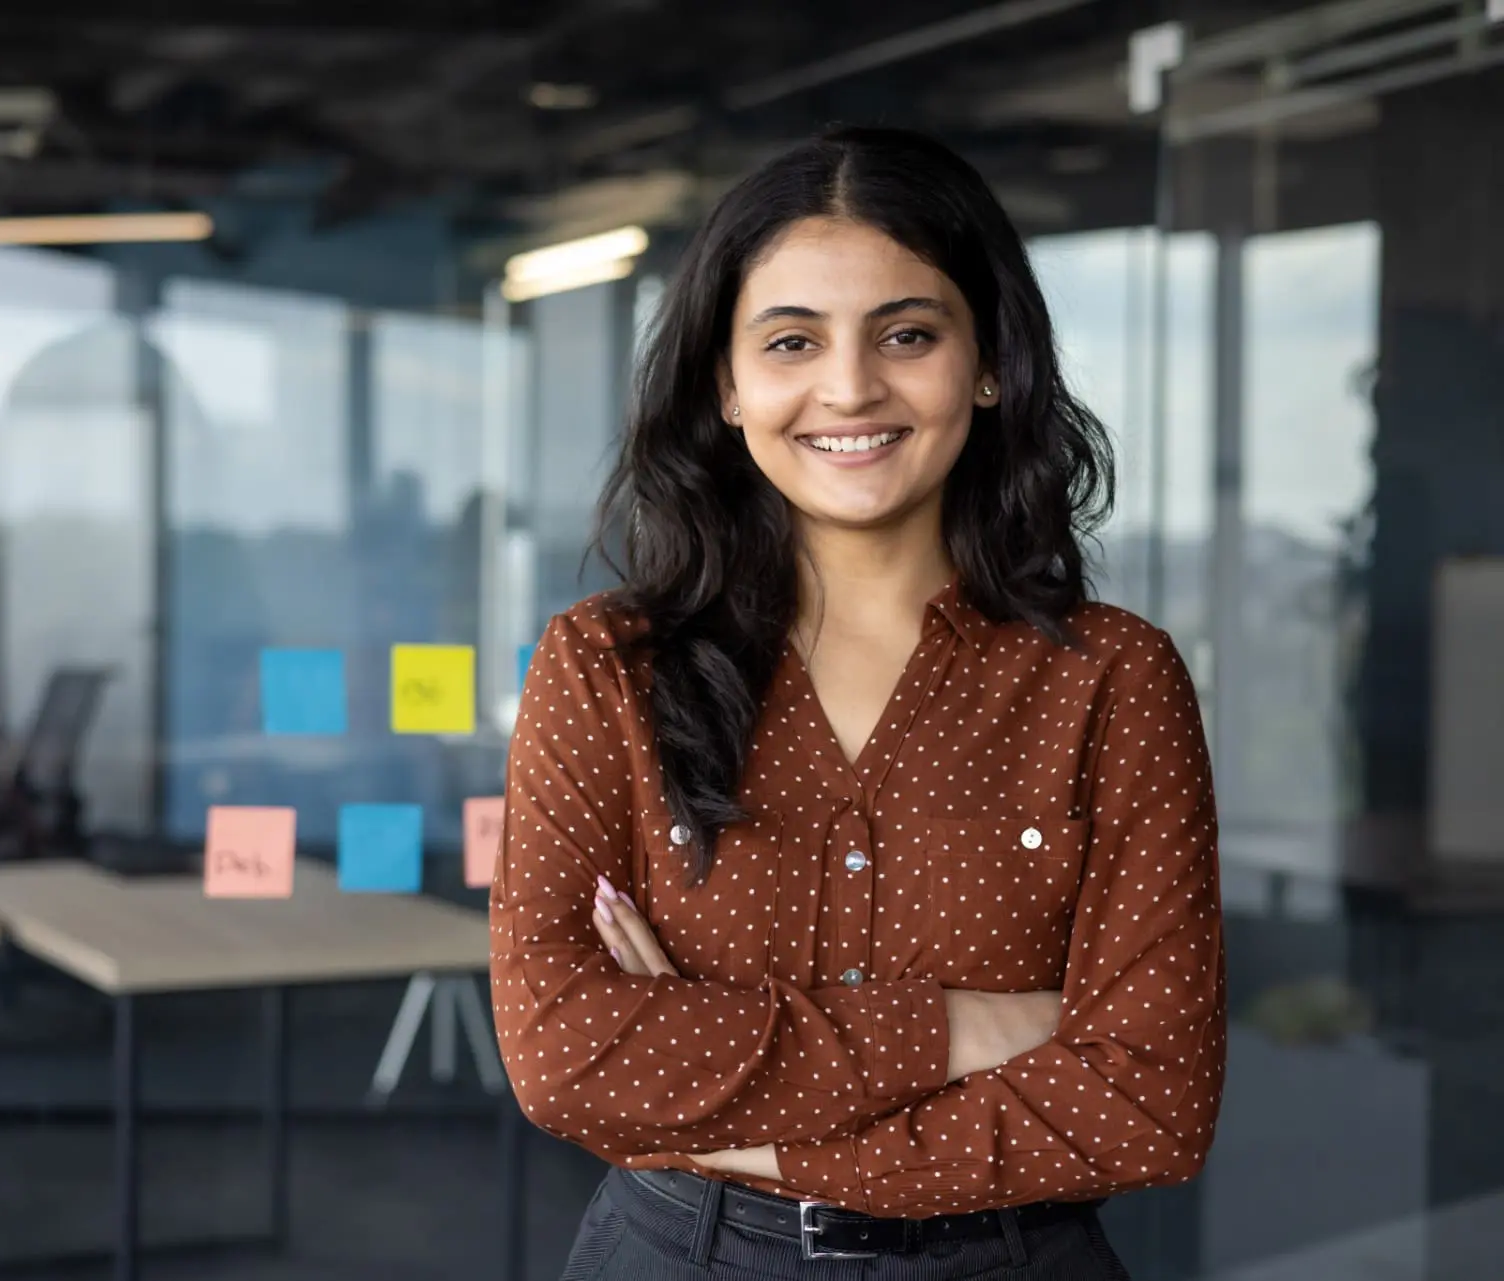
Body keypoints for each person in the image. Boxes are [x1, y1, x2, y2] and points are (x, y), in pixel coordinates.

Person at [488, 125, 1225, 1280]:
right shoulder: (605, 669)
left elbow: (1151, 1100)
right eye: (792, 341)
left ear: (986, 364)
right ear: (726, 384)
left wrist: (731, 1130)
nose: (849, 388)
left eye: (908, 335)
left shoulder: (1112, 681)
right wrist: (966, 1028)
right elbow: (560, 1055)